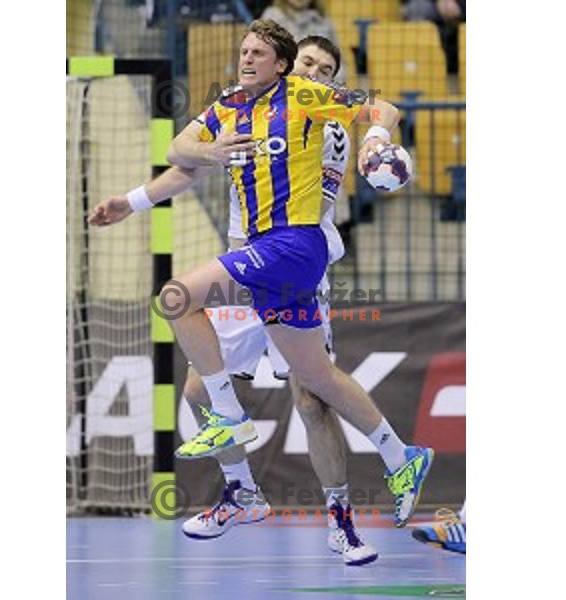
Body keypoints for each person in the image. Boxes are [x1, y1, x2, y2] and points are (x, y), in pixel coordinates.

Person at [90, 35, 379, 566]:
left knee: (312, 400)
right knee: (199, 389)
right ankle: (241, 490)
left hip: (292, 269)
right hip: (243, 266)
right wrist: (131, 202)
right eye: (308, 62)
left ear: (327, 79)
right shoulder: (250, 106)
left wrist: (381, 139)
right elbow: (187, 163)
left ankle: (343, 522)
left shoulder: (325, 123)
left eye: (324, 68)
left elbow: (371, 123)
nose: (313, 72)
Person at [162, 18, 434, 535]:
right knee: (313, 377)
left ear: (284, 68)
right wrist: (210, 151)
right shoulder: (230, 105)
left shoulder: (308, 100)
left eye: (257, 53)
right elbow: (179, 152)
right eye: (242, 51)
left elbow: (383, 108)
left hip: (291, 248)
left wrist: (377, 139)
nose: (245, 59)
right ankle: (400, 456)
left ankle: (334, 515)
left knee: (178, 298)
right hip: (258, 253)